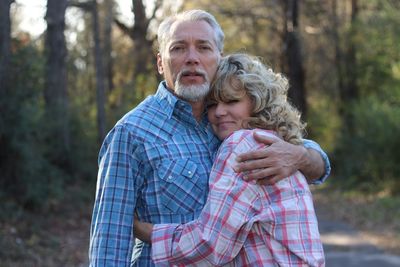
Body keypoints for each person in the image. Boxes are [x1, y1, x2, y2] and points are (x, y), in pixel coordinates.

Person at [89, 9, 330, 267]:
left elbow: (316, 164)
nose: (192, 58)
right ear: (161, 63)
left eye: (203, 48)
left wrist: (302, 156)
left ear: (219, 58)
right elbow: (109, 247)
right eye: (179, 48)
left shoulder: (232, 122)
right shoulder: (132, 133)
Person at [134, 53, 325, 266]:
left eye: (232, 101)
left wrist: (146, 232)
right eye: (212, 104)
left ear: (257, 101)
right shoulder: (276, 141)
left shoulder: (242, 143)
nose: (219, 112)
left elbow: (211, 245)